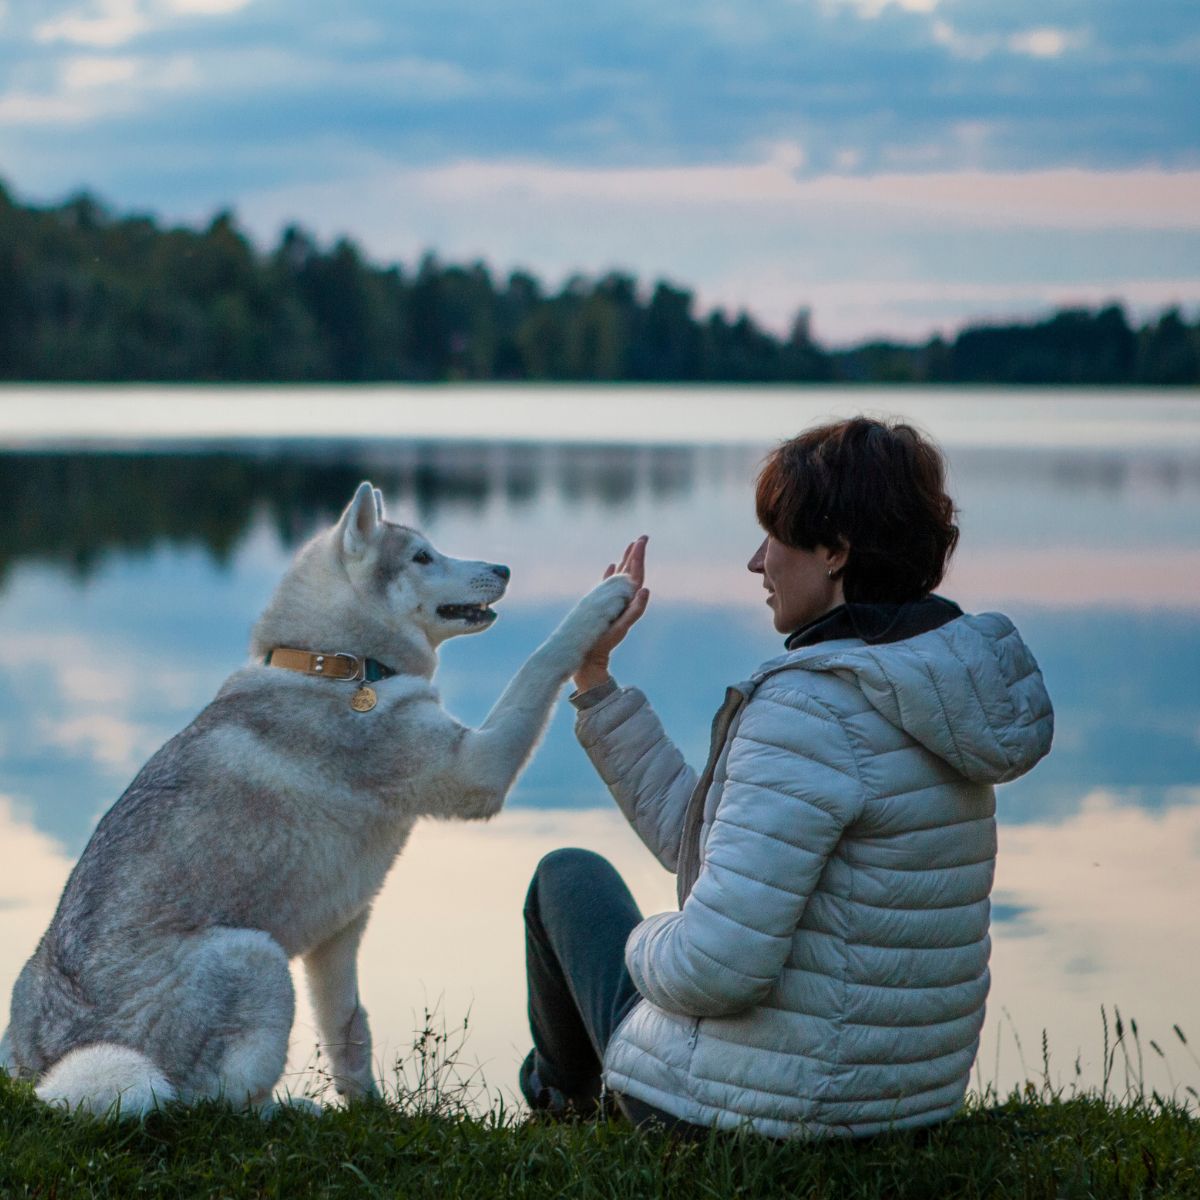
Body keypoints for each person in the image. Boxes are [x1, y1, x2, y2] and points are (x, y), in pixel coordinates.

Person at [518, 415, 1054, 1138]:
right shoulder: (936, 693)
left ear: (835, 551)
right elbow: (702, 840)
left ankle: (559, 1100)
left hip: (763, 1113)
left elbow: (717, 965)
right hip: (906, 1110)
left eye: (775, 537)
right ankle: (571, 1093)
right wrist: (595, 680)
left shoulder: (810, 707)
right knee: (593, 890)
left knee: (566, 880)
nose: (755, 562)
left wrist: (640, 943)